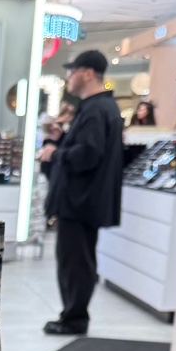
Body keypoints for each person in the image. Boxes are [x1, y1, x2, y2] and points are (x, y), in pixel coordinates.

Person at [39, 49, 124, 336]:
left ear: (88, 73)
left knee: (75, 263)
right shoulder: (98, 108)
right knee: (76, 260)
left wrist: (55, 153)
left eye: (72, 71)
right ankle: (71, 315)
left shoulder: (96, 110)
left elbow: (88, 154)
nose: (68, 78)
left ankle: (74, 319)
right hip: (82, 201)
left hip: (80, 202)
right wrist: (62, 140)